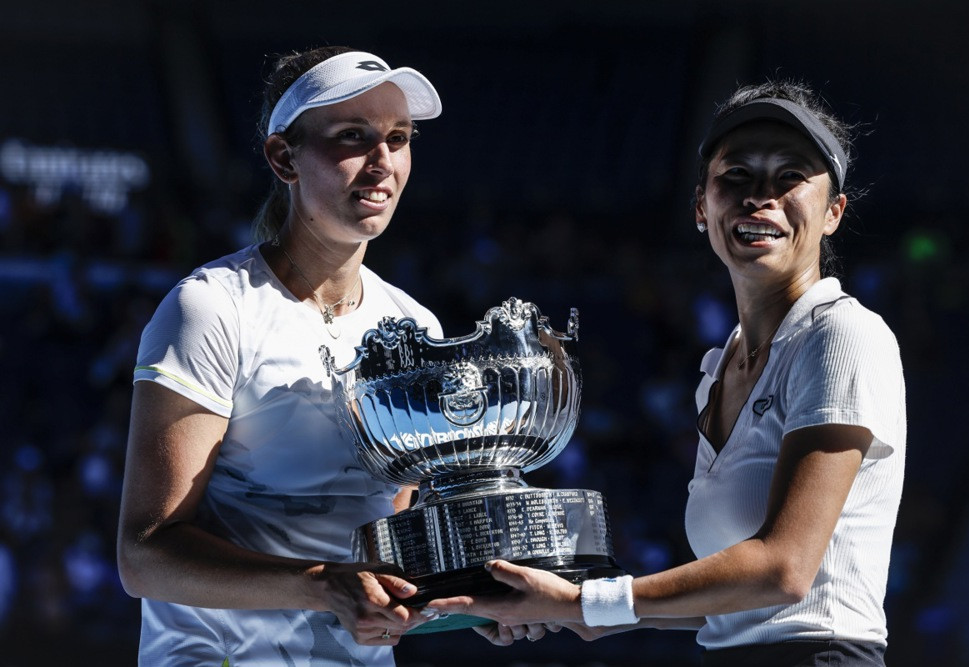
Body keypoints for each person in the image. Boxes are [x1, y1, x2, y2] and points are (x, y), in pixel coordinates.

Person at [425, 80, 906, 666]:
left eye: (790, 176)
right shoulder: (720, 365)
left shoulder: (842, 335)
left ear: (833, 212)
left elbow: (783, 571)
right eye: (737, 176)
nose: (761, 196)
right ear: (702, 208)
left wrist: (586, 602)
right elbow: (730, 603)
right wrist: (555, 606)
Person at [117, 46, 446, 666]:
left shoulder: (413, 325)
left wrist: (467, 600)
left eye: (398, 138)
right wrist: (321, 585)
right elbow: (145, 556)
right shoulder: (211, 308)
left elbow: (384, 543)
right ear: (283, 157)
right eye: (353, 137)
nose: (383, 162)